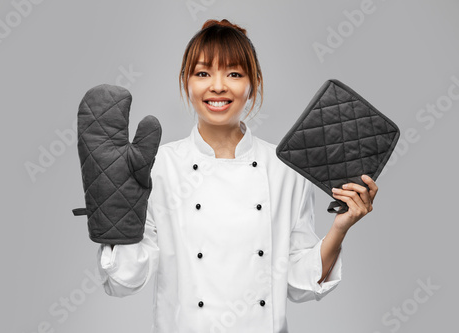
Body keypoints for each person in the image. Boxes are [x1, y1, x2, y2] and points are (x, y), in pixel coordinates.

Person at [97, 19, 378, 333]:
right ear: (186, 81)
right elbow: (126, 280)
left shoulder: (284, 168)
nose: (218, 86)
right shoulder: (158, 166)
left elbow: (300, 283)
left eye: (233, 73)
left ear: (253, 82)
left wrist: (341, 227)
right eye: (203, 73)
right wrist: (115, 219)